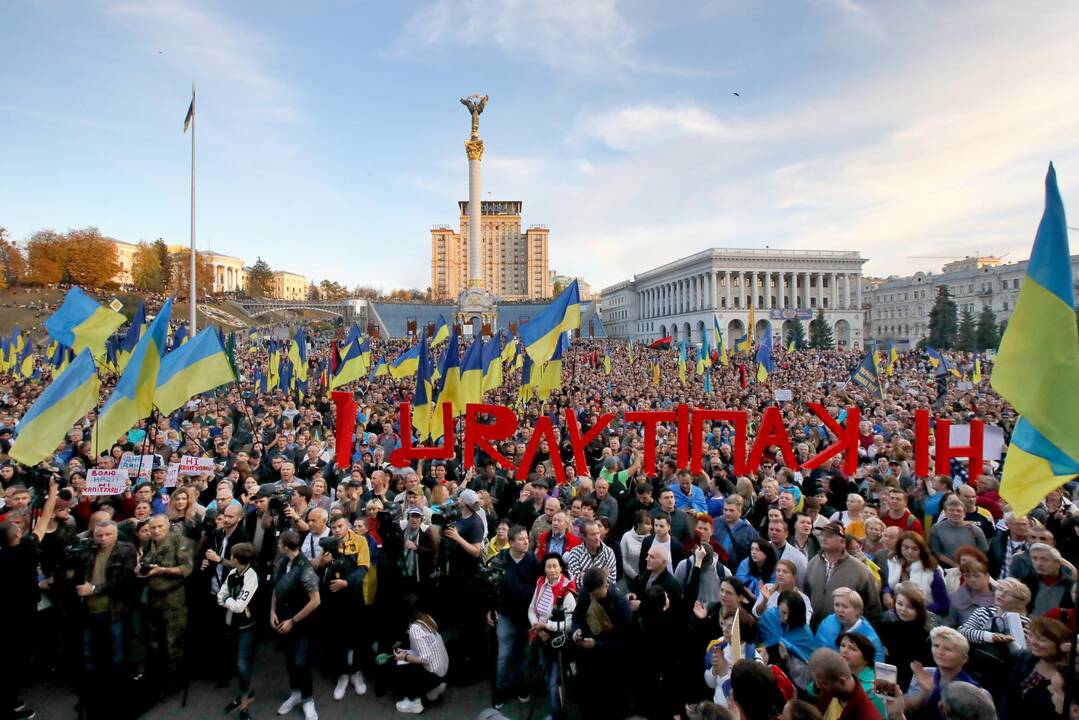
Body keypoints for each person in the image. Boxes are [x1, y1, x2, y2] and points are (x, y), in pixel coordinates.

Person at [139, 513, 194, 693]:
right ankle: (157, 678)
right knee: (153, 640)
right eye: (152, 528)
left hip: (173, 598)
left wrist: (162, 570)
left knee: (173, 642)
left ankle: (174, 679)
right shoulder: (148, 543)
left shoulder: (180, 542)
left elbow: (187, 569)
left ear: (167, 525)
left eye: (160, 527)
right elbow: (144, 562)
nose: (156, 531)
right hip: (152, 597)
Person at [488, 525, 542, 708]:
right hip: (506, 617)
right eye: (521, 539)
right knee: (503, 657)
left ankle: (521, 687)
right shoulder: (499, 560)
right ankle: (500, 691)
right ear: (511, 542)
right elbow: (491, 587)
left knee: (524, 657)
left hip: (527, 619)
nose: (526, 541)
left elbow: (539, 586)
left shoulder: (532, 560)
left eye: (527, 538)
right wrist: (490, 609)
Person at [271, 530, 322, 720]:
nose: (277, 546)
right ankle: (296, 693)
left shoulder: (305, 567)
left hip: (301, 624)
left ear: (286, 546)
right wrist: (272, 611)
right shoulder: (283, 562)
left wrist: (293, 621)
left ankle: (308, 700)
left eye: (279, 544)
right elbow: (277, 588)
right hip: (283, 620)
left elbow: (315, 601)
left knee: (300, 662)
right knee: (290, 660)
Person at [320, 515, 371, 701]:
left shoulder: (360, 541)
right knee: (337, 636)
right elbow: (322, 569)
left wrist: (346, 583)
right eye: (333, 527)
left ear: (347, 525)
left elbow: (363, 568)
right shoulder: (328, 543)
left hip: (353, 594)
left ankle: (357, 672)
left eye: (340, 526)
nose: (337, 530)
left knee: (358, 634)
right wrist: (323, 564)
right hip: (334, 596)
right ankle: (342, 675)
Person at [77, 520, 137, 673]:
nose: (103, 539)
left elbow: (122, 581)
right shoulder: (89, 549)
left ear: (116, 534)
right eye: (99, 535)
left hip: (113, 609)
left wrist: (94, 589)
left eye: (108, 534)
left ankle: (115, 686)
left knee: (116, 652)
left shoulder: (126, 550)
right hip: (89, 609)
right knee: (88, 651)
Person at [528, 553, 577, 720]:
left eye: (555, 566)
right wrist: (538, 628)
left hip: (557, 642)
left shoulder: (567, 592)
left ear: (561, 567)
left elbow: (571, 624)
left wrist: (547, 626)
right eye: (548, 566)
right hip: (541, 637)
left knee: (553, 680)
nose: (552, 570)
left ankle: (556, 715)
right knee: (547, 672)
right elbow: (532, 609)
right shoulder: (541, 583)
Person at [803, 523, 882, 626]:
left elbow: (873, 608)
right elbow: (806, 594)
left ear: (843, 542)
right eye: (823, 534)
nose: (824, 538)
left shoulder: (860, 569)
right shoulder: (813, 563)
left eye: (830, 536)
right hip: (815, 630)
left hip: (846, 634)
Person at [216, 542, 259, 720]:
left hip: (246, 627)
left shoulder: (251, 577)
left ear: (236, 559)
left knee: (242, 664)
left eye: (232, 556)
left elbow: (240, 606)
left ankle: (244, 702)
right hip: (231, 624)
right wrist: (228, 600)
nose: (229, 558)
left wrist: (227, 600)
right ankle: (246, 692)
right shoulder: (233, 573)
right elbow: (220, 595)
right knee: (237, 661)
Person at [902, 627, 978, 720]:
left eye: (947, 649)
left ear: (964, 658)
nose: (939, 652)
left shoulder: (972, 689)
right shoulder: (925, 672)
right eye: (936, 646)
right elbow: (908, 708)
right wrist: (925, 691)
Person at [392, 594, 450, 715]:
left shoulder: (415, 628)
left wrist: (405, 657)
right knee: (406, 655)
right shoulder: (427, 618)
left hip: (433, 674)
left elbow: (425, 658)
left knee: (399, 662)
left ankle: (414, 702)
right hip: (443, 670)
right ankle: (436, 687)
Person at [1004, 615, 1070, 718]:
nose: (1033, 642)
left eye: (1042, 640)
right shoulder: (1024, 657)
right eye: (1032, 636)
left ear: (1061, 645)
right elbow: (1007, 696)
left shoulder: (1065, 677)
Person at [758, 590, 816, 690]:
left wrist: (786, 658)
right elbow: (758, 638)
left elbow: (807, 665)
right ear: (778, 606)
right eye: (783, 612)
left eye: (790, 614)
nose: (786, 617)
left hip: (792, 681)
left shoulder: (805, 633)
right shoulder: (770, 616)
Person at [884, 531, 949, 616]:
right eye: (906, 547)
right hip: (898, 611)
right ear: (900, 547)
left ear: (921, 550)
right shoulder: (894, 562)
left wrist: (915, 608)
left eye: (915, 548)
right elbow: (889, 584)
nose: (909, 551)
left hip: (925, 616)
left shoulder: (932, 571)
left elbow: (943, 605)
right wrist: (887, 593)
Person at [807, 648, 882, 719]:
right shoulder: (830, 692)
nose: (818, 686)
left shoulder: (867, 715)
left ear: (842, 681)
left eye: (823, 683)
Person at [814, 587, 885, 663]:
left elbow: (875, 670)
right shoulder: (827, 622)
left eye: (845, 606)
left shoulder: (871, 640)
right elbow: (815, 651)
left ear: (857, 611)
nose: (839, 610)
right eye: (837, 605)